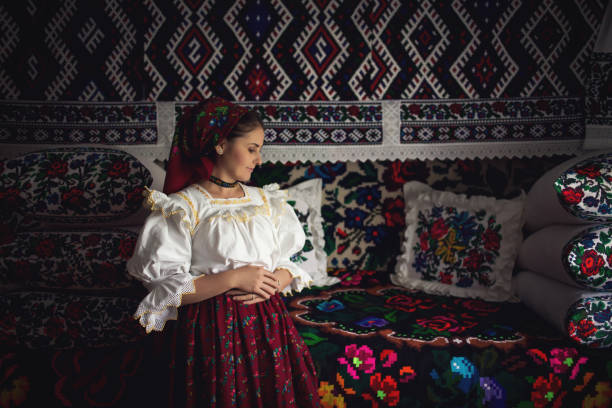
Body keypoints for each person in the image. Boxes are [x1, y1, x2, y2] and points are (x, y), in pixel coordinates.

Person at [126, 97, 321, 407]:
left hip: (268, 325)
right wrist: (234, 277)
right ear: (220, 144)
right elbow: (167, 290)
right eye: (252, 148)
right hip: (211, 329)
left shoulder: (265, 201)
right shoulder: (184, 206)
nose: (258, 160)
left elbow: (289, 260)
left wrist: (279, 278)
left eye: (260, 150)